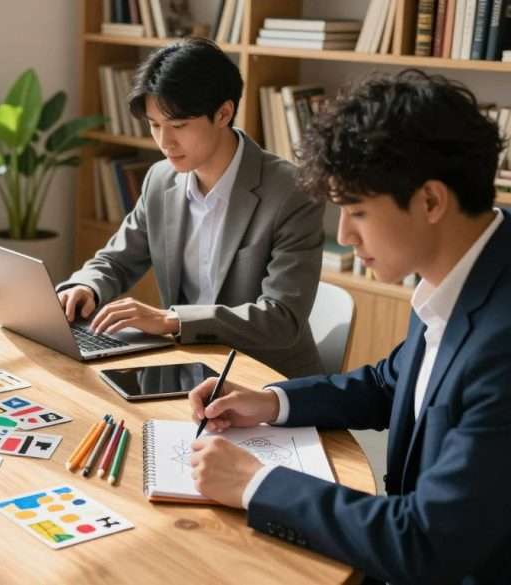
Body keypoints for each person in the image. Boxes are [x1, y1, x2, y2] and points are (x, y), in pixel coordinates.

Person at [187, 69, 511, 584]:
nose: (343, 235)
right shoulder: (463, 267)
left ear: (430, 201)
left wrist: (256, 483)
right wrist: (273, 402)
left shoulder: (503, 344)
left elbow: (427, 542)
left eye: (356, 211)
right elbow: (392, 381)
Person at [58, 38, 325, 378]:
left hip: (266, 381)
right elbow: (116, 260)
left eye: (179, 126)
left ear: (223, 113)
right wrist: (86, 287)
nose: (165, 142)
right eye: (155, 125)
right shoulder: (160, 180)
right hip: (187, 369)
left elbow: (281, 318)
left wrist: (172, 320)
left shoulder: (291, 192)